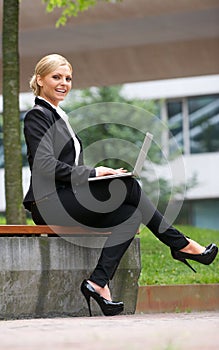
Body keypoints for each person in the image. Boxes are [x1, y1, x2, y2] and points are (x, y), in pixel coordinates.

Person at [23, 54, 218, 317]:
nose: (64, 83)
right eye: (56, 77)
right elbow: (44, 165)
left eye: (68, 78)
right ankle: (181, 244)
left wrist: (98, 177)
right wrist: (93, 172)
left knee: (130, 214)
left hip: (67, 198)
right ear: (39, 79)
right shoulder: (38, 115)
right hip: (48, 203)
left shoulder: (58, 115)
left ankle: (97, 283)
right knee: (128, 188)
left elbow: (65, 167)